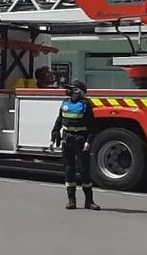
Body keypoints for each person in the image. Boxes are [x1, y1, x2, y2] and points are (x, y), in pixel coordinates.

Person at [51, 80, 100, 211]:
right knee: (69, 169)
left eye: (74, 89)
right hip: (67, 140)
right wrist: (54, 135)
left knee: (84, 170)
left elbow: (92, 127)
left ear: (79, 91)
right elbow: (59, 120)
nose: (70, 91)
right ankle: (71, 200)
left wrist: (88, 141)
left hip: (81, 140)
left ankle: (89, 201)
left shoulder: (85, 105)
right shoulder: (65, 103)